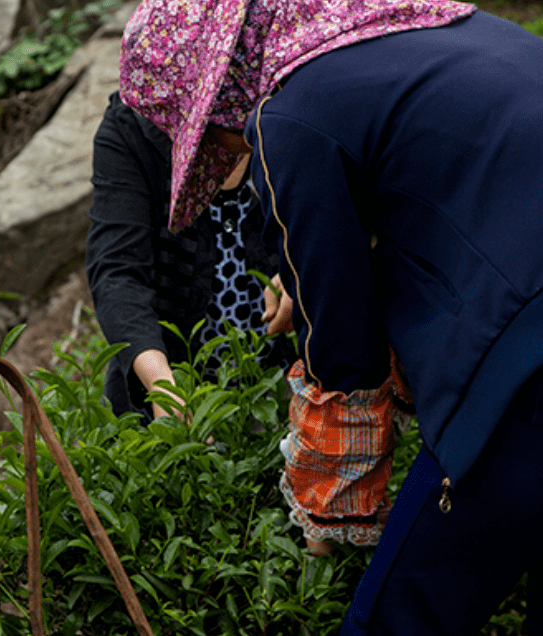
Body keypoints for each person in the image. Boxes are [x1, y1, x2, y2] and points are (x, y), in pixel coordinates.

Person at [118, 0, 543, 633]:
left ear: (223, 92)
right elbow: (448, 191)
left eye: (211, 135)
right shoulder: (432, 24)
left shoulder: (291, 117)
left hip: (528, 357)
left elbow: (342, 357)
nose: (227, 151)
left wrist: (329, 516)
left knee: (396, 613)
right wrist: (314, 271)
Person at [86, 90, 295, 423]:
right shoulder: (135, 126)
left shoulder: (287, 103)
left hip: (285, 384)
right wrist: (162, 385)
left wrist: (304, 268)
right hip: (176, 380)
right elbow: (117, 272)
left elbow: (344, 214)